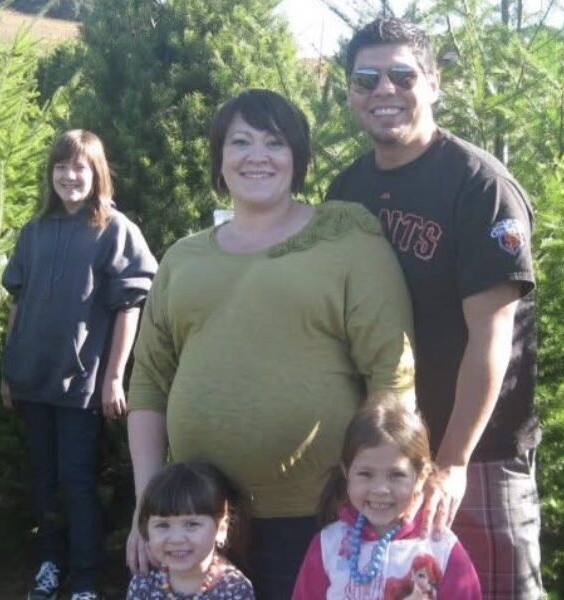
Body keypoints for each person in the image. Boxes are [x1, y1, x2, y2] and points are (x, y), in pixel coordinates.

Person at [126, 89, 416, 600]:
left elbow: (391, 373)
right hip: (198, 524)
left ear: (298, 158)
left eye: (274, 142)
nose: (256, 155)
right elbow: (149, 382)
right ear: (219, 159)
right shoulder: (182, 258)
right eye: (240, 142)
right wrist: (146, 509)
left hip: (320, 518)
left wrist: (382, 492)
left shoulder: (347, 239)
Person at [326, 18, 543, 599]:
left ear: (433, 83)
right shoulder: (346, 192)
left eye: (402, 75)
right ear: (350, 92)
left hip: (477, 455)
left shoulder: (479, 186)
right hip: (382, 463)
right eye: (366, 79)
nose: (384, 90)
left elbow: (493, 337)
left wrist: (451, 464)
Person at [1, 129, 158, 600]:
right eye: (61, 167)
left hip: (79, 386)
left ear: (96, 173)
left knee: (76, 482)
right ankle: (50, 564)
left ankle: (86, 581)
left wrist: (113, 377)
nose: (69, 176)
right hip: (32, 379)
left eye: (79, 167)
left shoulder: (114, 229)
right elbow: (18, 303)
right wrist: (9, 369)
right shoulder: (34, 231)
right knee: (44, 481)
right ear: (50, 174)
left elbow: (129, 307)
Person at [292, 405, 481, 599]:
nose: (380, 489)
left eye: (396, 475)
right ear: (346, 473)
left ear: (421, 477)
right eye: (366, 474)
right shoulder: (328, 545)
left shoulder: (441, 547)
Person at [126, 461, 256, 599]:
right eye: (163, 525)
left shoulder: (233, 588)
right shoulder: (144, 583)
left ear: (221, 529)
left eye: (191, 524)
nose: (176, 539)